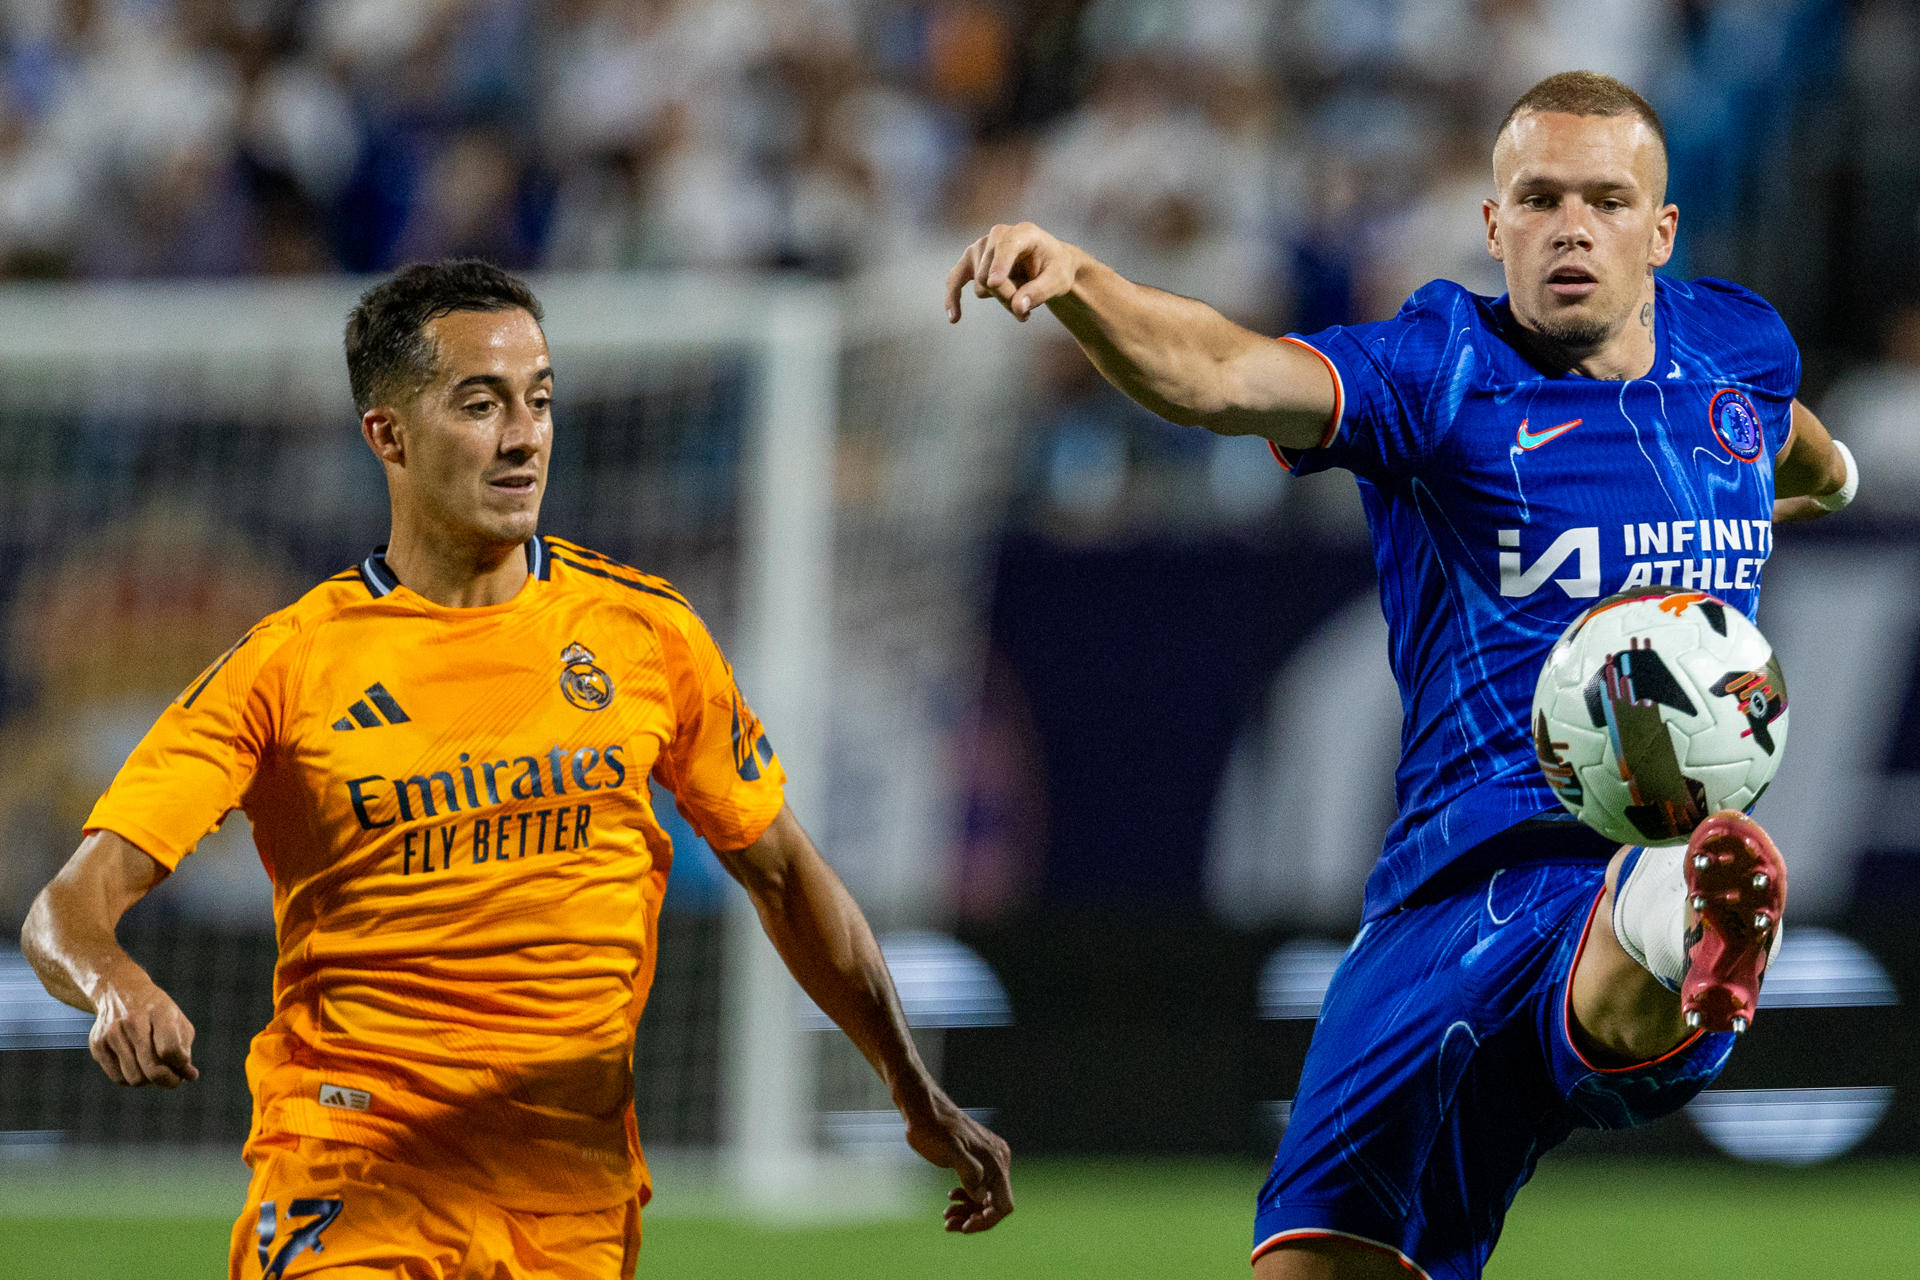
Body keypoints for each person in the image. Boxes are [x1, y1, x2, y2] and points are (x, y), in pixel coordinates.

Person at [945, 71, 1854, 1280]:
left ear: (1661, 229)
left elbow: (1786, 435)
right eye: (1538, 198)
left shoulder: (1740, 345)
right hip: (1448, 889)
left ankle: (1687, 909)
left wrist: (1830, 479)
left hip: (1615, 865)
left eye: (1605, 199)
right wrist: (1083, 283)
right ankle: (1683, 914)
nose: (1571, 225)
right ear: (1493, 224)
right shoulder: (1441, 370)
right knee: (1311, 1259)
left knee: (1633, 907)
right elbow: (1224, 375)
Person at [22, 260, 1013, 1279]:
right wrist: (114, 982)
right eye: (481, 403)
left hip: (569, 1199)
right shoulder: (290, 662)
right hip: (355, 1174)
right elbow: (67, 906)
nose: (525, 434)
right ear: (388, 435)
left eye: (540, 398)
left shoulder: (643, 633)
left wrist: (911, 1086)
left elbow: (786, 870)